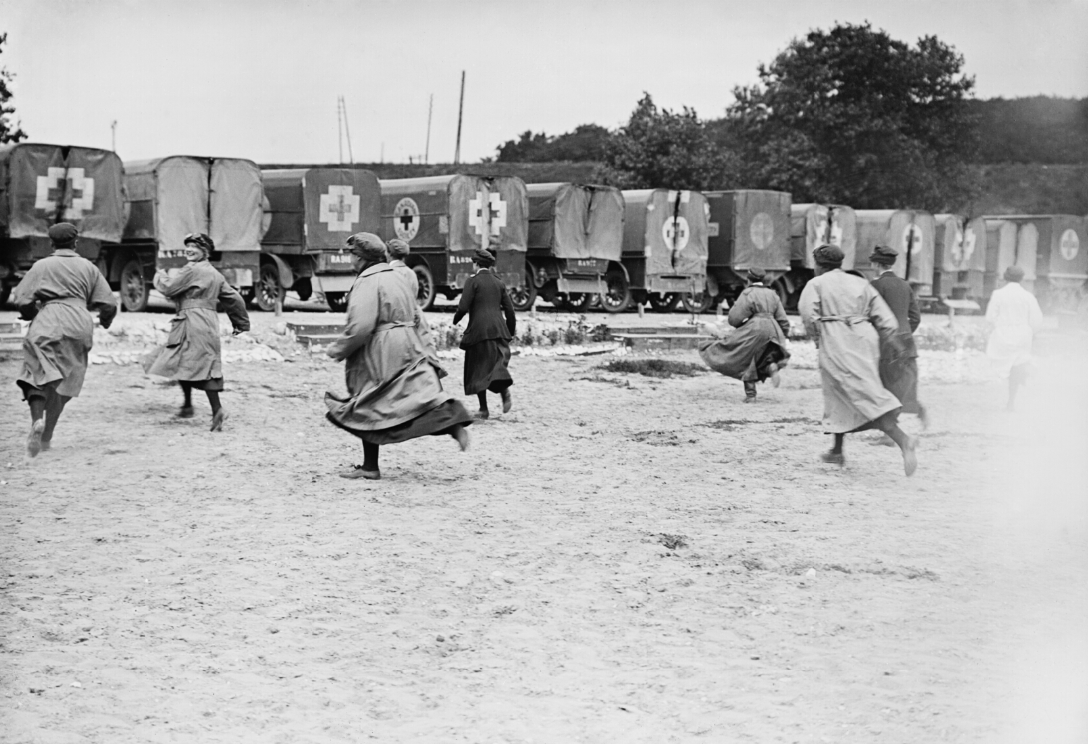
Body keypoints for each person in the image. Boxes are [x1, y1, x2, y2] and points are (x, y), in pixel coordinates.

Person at [325, 232, 471, 480]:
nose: (349, 258)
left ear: (361, 258)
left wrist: (339, 349)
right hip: (407, 342)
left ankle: (370, 466)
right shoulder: (398, 277)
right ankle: (451, 422)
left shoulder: (367, 281)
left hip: (378, 348)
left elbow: (361, 326)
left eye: (351, 254)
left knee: (367, 401)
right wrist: (427, 350)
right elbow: (417, 315)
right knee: (413, 396)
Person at [798, 244, 918, 476]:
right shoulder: (860, 282)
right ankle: (836, 450)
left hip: (837, 339)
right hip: (864, 339)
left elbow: (807, 313)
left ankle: (903, 440)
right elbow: (885, 318)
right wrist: (890, 339)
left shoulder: (817, 284)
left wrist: (816, 338)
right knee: (843, 391)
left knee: (857, 392)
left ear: (819, 265)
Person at [12, 222, 118, 457]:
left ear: (51, 243)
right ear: (76, 242)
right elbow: (109, 303)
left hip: (49, 319)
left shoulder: (42, 266)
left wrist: (35, 315)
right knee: (67, 379)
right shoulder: (88, 267)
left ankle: (37, 420)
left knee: (35, 373)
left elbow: (21, 301)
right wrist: (105, 320)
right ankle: (47, 436)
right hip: (79, 321)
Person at [142, 233, 250, 431]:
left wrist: (159, 274)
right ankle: (189, 406)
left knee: (182, 360)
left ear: (205, 252)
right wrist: (240, 323)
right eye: (188, 246)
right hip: (208, 323)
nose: (189, 250)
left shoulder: (192, 269)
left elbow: (169, 288)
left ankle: (213, 409)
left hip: (189, 322)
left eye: (194, 247)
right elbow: (234, 299)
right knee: (199, 363)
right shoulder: (216, 275)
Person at [698, 267, 790, 402]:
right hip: (773, 327)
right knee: (765, 355)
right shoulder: (773, 294)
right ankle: (770, 366)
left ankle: (751, 395)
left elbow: (734, 318)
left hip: (755, 328)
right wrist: (783, 335)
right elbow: (783, 320)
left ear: (748, 279)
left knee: (745, 357)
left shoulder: (748, 293)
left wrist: (741, 327)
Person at [452, 246, 517, 419]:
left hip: (478, 331)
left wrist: (455, 320)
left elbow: (463, 307)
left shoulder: (472, 282)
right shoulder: (499, 283)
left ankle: (483, 409)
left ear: (476, 264)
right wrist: (509, 332)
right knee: (495, 364)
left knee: (477, 368)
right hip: (498, 329)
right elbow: (510, 311)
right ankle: (504, 392)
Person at [869, 245, 928, 429]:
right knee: (904, 383)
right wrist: (905, 334)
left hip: (887, 343)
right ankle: (918, 410)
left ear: (877, 264)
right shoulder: (905, 285)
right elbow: (916, 317)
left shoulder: (875, 286)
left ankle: (891, 430)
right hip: (907, 342)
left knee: (887, 385)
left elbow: (871, 316)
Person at [985, 265, 1042, 411]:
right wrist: (1031, 332)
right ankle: (1013, 397)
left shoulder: (998, 294)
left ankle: (1014, 387)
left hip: (1003, 335)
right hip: (1022, 335)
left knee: (1004, 365)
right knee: (1017, 365)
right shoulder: (1028, 296)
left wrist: (998, 326)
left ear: (1005, 277)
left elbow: (990, 317)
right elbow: (1036, 320)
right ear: (1022, 279)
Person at [388, 238, 445, 377]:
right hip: (414, 316)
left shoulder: (388, 272)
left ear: (389, 254)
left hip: (397, 319)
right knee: (424, 345)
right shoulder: (411, 273)